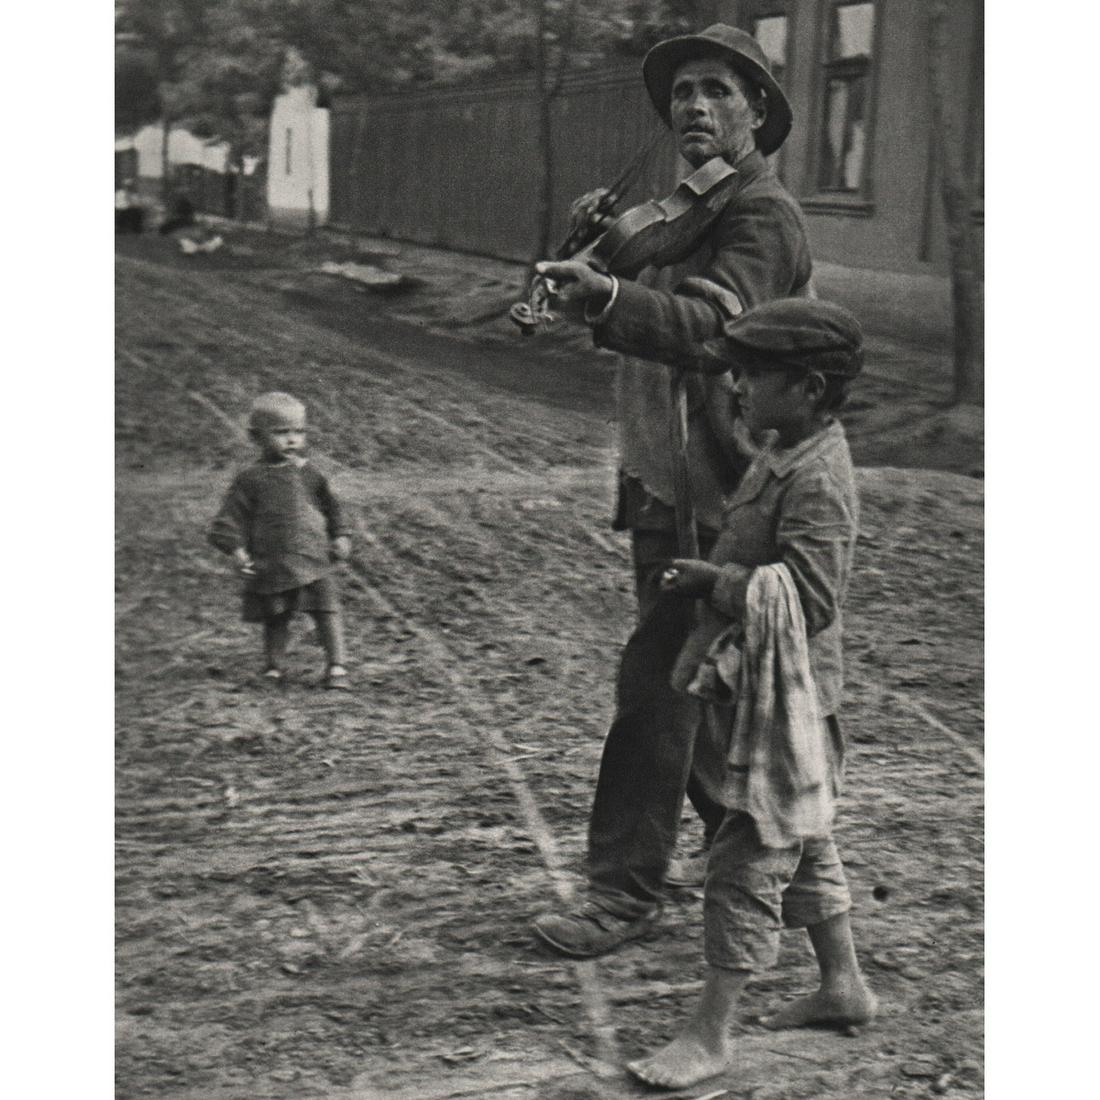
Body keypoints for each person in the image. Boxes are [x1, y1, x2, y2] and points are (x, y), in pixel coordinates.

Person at [530, 23, 814, 957]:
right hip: (664, 483)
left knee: (657, 687)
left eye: (718, 92)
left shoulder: (760, 219)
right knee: (702, 710)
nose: (694, 106)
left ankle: (621, 895)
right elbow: (622, 290)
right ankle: (802, 890)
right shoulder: (672, 214)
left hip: (725, 495)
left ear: (757, 113)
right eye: (683, 92)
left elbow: (707, 329)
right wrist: (594, 256)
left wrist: (608, 296)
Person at [626, 297, 876, 1089]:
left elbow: (810, 598)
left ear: (806, 388)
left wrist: (719, 581)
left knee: (746, 858)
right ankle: (843, 986)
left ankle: (710, 1032)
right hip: (763, 688)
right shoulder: (782, 447)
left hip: (793, 698)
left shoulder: (819, 479)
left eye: (755, 373)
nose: (737, 384)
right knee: (802, 835)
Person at [209, 392, 353, 688]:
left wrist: (340, 535)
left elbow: (332, 507)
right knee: (277, 615)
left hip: (313, 557)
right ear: (256, 437)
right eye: (281, 433)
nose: (291, 440)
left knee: (326, 610)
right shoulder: (250, 479)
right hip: (272, 560)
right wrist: (237, 550)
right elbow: (229, 518)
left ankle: (337, 666)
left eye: (298, 432)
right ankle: (274, 667)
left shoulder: (310, 474)